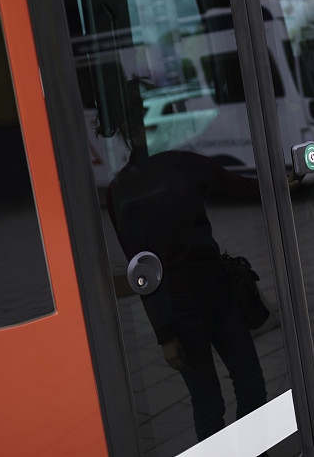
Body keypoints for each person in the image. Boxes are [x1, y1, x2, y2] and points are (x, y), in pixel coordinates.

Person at [106, 84, 268, 443]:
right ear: (132, 131)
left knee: (242, 388)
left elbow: (245, 188)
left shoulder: (169, 169)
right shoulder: (126, 187)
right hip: (185, 306)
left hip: (210, 296)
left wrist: (292, 178)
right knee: (219, 398)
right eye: (156, 121)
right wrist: (165, 335)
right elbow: (141, 270)